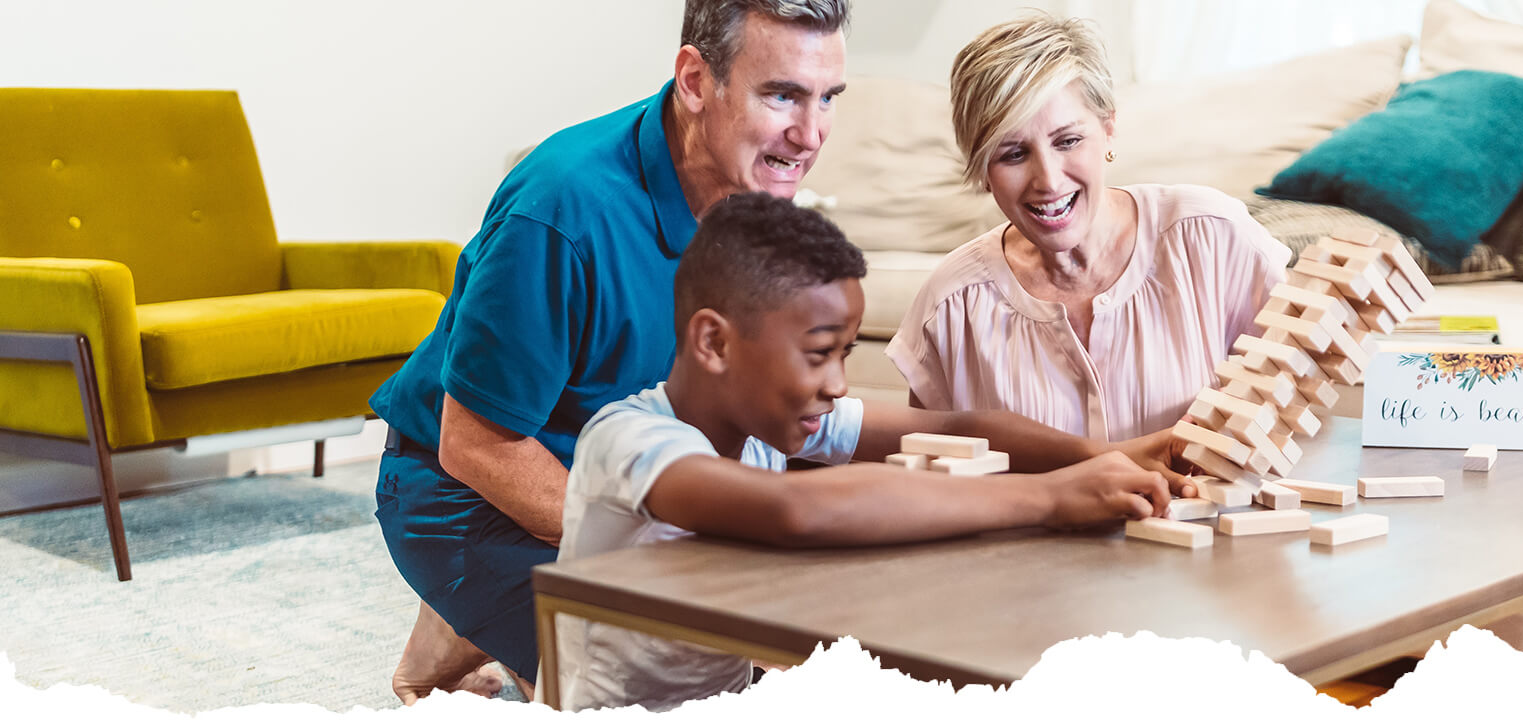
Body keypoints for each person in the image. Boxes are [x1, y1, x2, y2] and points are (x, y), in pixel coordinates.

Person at [368, 0, 851, 703]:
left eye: (828, 98)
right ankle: (471, 590)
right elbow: (474, 445)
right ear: (694, 79)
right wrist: (678, 550)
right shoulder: (563, 207)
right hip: (459, 495)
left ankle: (471, 622)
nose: (810, 135)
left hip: (608, 470)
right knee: (689, 686)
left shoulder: (755, 188)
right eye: (781, 95)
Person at [557, 192, 1184, 711]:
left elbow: (959, 424)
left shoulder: (771, 420)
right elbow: (793, 512)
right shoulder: (631, 439)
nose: (836, 385)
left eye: (843, 355)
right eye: (816, 353)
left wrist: (1103, 455)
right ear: (716, 344)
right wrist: (1048, 498)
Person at [886, 13, 1291, 442]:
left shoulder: (1213, 237)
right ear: (982, 169)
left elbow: (1289, 401)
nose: (1049, 180)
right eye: (1013, 153)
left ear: (1108, 128)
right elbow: (930, 482)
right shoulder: (952, 304)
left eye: (1067, 141)